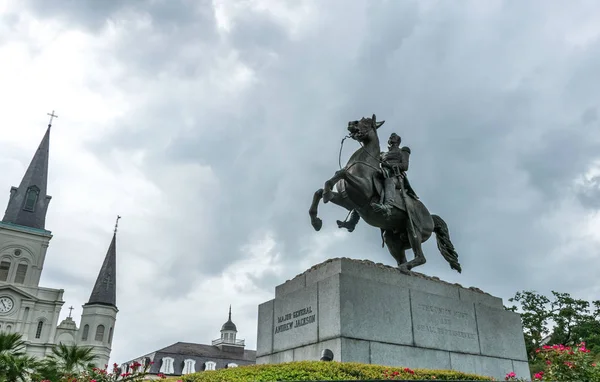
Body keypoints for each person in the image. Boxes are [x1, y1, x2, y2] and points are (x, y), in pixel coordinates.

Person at [371, 133, 418, 216]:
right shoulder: (382, 154)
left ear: (398, 140)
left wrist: (390, 165)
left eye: (394, 136)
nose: (391, 137)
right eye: (390, 136)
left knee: (389, 181)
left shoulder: (403, 151)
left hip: (396, 177)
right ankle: (353, 220)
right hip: (383, 173)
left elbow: (405, 166)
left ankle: (388, 205)